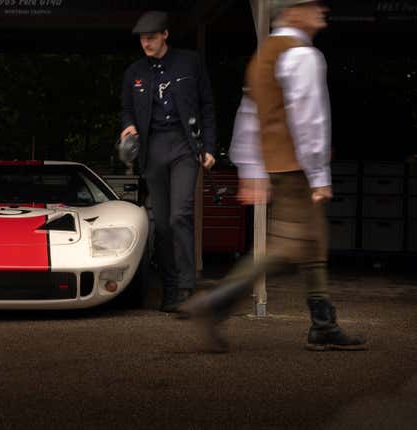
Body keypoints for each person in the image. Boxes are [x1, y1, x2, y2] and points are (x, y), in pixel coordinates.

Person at [179, 0, 366, 352]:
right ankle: (214, 304)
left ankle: (323, 324)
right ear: (292, 12)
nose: (321, 12)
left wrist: (251, 169)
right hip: (297, 168)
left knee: (311, 242)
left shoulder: (265, 54)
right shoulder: (303, 55)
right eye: (313, 7)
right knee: (285, 249)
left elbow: (249, 114)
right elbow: (310, 119)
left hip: (278, 166)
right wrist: (319, 174)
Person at [120, 11, 217, 312]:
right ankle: (171, 289)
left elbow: (207, 105)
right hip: (152, 150)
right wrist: (128, 126)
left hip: (185, 146)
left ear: (165, 35)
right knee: (161, 224)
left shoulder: (189, 62)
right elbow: (125, 110)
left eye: (150, 37)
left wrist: (210, 147)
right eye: (142, 39)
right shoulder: (133, 72)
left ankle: (189, 288)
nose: (145, 43)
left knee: (180, 215)